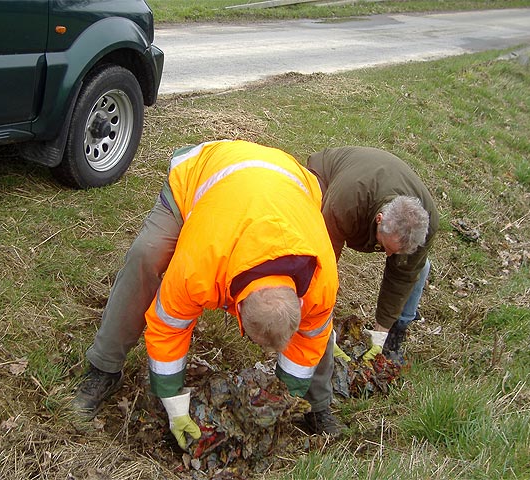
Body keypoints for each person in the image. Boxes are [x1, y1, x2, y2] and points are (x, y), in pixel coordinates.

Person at [72, 140, 342, 441]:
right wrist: (174, 406)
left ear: (300, 302)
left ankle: (317, 406)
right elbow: (169, 327)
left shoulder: (322, 281)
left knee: (320, 326)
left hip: (287, 182)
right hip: (202, 174)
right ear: (236, 307)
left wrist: (281, 401)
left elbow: (308, 342)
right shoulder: (199, 265)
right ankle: (104, 368)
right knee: (145, 255)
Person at [306, 146, 438, 360]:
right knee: (309, 248)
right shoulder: (347, 202)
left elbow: (402, 276)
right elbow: (324, 265)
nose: (387, 257)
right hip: (328, 175)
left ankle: (398, 329)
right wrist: (323, 330)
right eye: (386, 248)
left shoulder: (425, 224)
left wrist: (380, 334)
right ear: (379, 220)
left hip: (374, 182)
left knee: (419, 268)